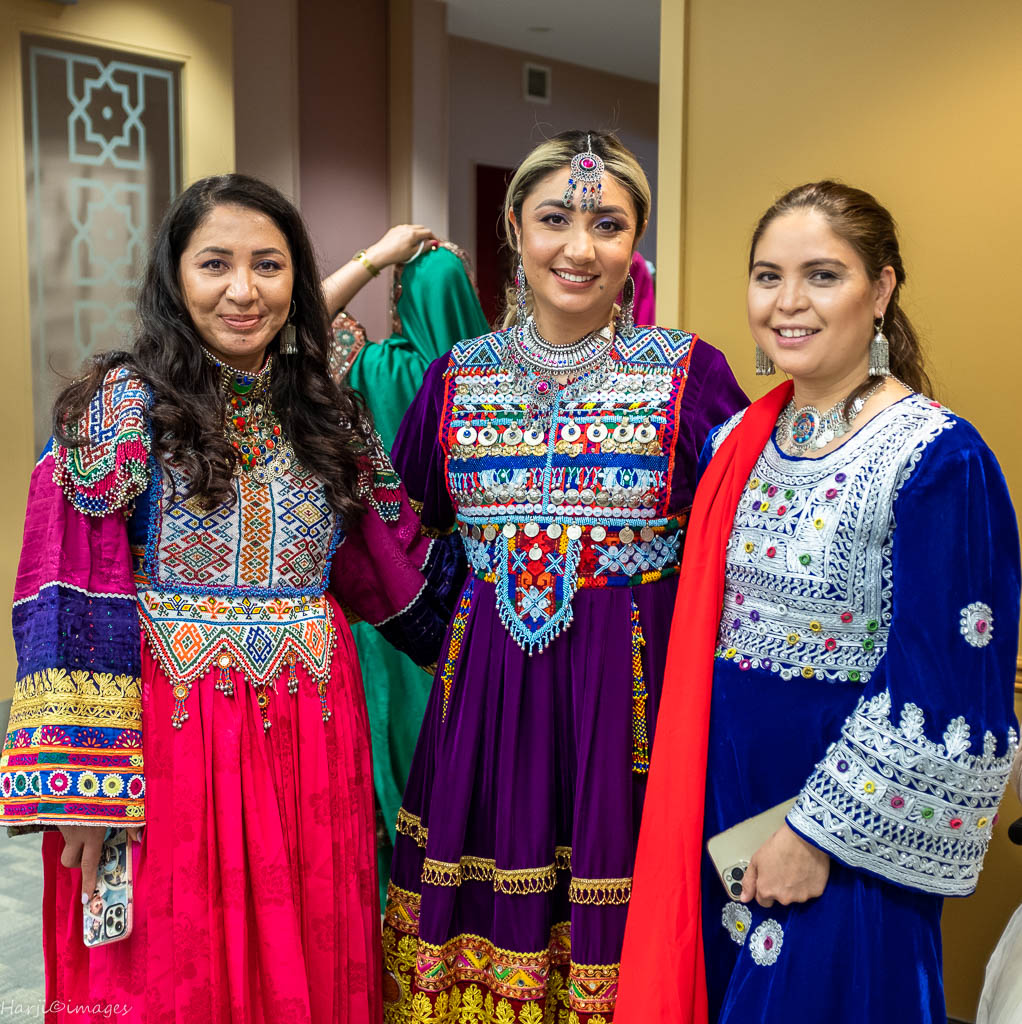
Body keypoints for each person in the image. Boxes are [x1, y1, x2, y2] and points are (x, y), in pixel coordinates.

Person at [0, 174, 461, 1023]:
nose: (244, 291)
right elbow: (65, 599)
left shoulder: (327, 413)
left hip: (313, 736)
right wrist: (82, 789)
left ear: (297, 278)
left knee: (310, 955)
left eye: (269, 266)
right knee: (176, 965)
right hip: (173, 746)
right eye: (216, 264)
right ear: (175, 277)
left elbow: (398, 572)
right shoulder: (118, 409)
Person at [617, 181, 1021, 1023]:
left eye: (822, 276)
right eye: (768, 276)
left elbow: (944, 682)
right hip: (725, 805)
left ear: (881, 290)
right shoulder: (737, 441)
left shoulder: (938, 458)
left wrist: (816, 836)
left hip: (842, 828)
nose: (787, 303)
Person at [381, 129, 747, 1023]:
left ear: (636, 241)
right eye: (555, 218)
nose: (579, 248)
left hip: (630, 705)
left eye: (608, 224)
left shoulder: (691, 376)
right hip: (485, 701)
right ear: (514, 227)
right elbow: (397, 534)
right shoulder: (454, 379)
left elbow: (749, 539)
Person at [322, 232, 491, 903]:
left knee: (390, 723)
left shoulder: (383, 368)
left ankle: (396, 872)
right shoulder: (497, 373)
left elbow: (294, 337)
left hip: (389, 585)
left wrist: (376, 256)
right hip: (477, 591)